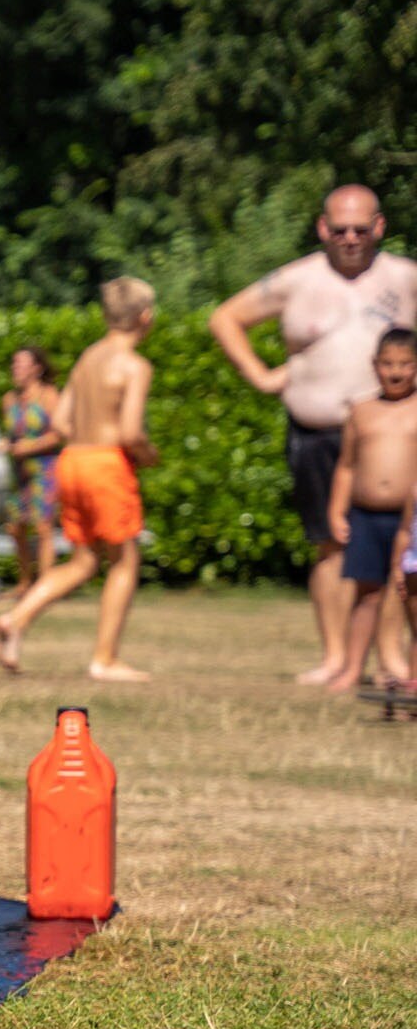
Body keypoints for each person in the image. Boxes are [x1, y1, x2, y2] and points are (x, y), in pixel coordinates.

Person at [208, 183, 417, 683]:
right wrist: (260, 376)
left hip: (392, 436)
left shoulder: (406, 278)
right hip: (317, 430)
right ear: (322, 228)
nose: (350, 239)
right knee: (329, 544)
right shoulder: (295, 280)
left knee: (396, 548)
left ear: (379, 228)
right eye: (339, 229)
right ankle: (335, 658)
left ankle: (389, 658)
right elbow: (225, 318)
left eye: (361, 230)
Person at [0, 277, 156, 682]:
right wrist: (148, 455)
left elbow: (62, 423)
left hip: (72, 461)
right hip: (106, 464)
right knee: (123, 561)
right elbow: (132, 432)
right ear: (145, 318)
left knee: (84, 561)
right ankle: (105, 658)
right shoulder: (135, 366)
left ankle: (17, 618)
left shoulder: (87, 359)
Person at [325, 328, 417, 690]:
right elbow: (346, 466)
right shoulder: (361, 411)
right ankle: (351, 669)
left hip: (410, 521)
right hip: (366, 516)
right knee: (367, 594)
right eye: (388, 363)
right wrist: (336, 511)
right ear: (374, 365)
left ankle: (402, 669)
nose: (396, 372)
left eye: (406, 364)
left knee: (409, 595)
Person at [0, 345, 64, 588]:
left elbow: (59, 435)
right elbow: (13, 437)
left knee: (43, 527)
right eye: (14, 364)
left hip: (45, 470)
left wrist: (29, 447)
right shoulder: (9, 400)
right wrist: (2, 445)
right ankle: (25, 583)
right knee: (15, 527)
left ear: (36, 368)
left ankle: (45, 584)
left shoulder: (49, 396)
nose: (15, 368)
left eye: (21, 364)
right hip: (21, 474)